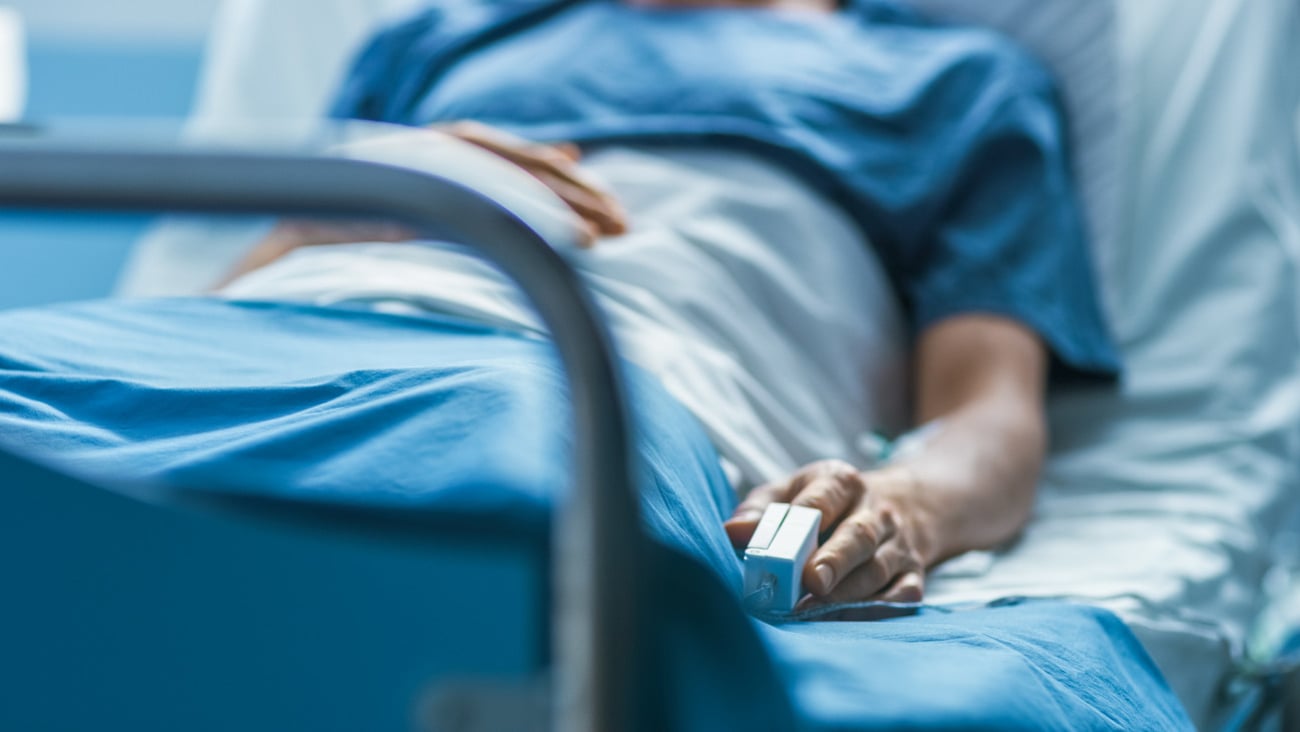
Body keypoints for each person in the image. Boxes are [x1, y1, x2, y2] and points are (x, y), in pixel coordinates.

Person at [218, 0, 1120, 613]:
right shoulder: (437, 40)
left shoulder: (957, 82)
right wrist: (353, 199)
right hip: (265, 342)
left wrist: (902, 504)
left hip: (590, 378)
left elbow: (986, 411)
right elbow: (216, 304)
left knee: (452, 521)